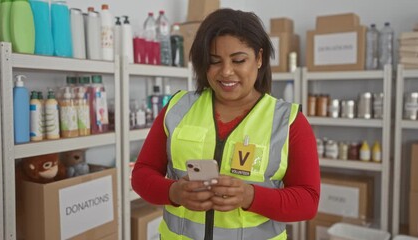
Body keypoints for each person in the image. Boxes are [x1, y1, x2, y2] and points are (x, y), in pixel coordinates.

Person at [132, 8, 320, 240]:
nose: (226, 72)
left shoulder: (288, 121)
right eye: (214, 61)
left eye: (239, 60)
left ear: (259, 58)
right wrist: (173, 192)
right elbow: (141, 174)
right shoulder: (178, 108)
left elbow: (308, 201)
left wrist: (250, 196)